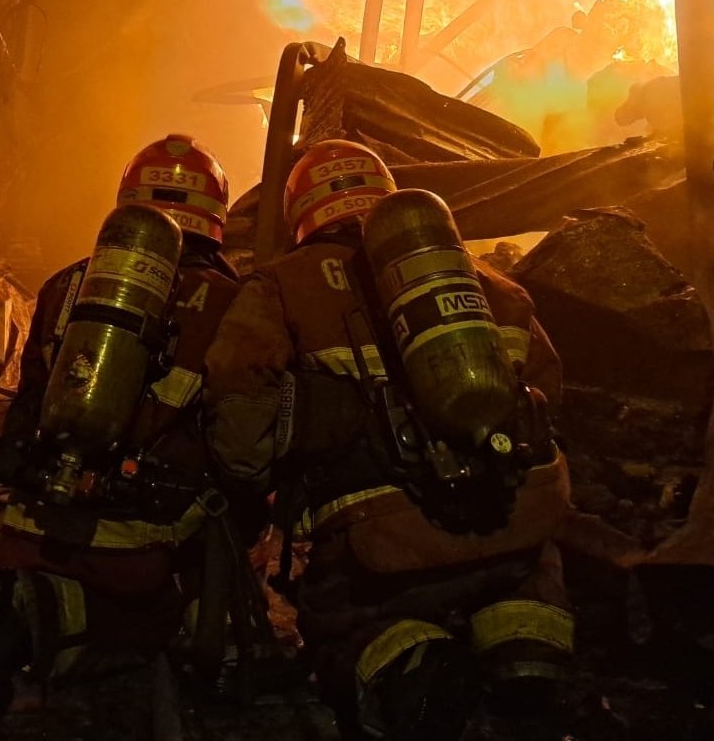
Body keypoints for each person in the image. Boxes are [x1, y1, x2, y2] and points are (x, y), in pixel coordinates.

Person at [203, 139, 573, 739]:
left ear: (302, 212)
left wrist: (259, 482)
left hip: (384, 544)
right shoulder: (489, 282)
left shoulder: (282, 284)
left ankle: (413, 671)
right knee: (522, 589)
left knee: (345, 624)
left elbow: (239, 410)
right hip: (514, 519)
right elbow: (547, 392)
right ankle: (528, 656)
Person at [0, 135, 247, 717]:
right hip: (149, 536)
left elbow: (29, 399)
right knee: (194, 585)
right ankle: (178, 629)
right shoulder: (232, 301)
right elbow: (242, 426)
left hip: (34, 523)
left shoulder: (65, 286)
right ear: (216, 218)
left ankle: (27, 605)